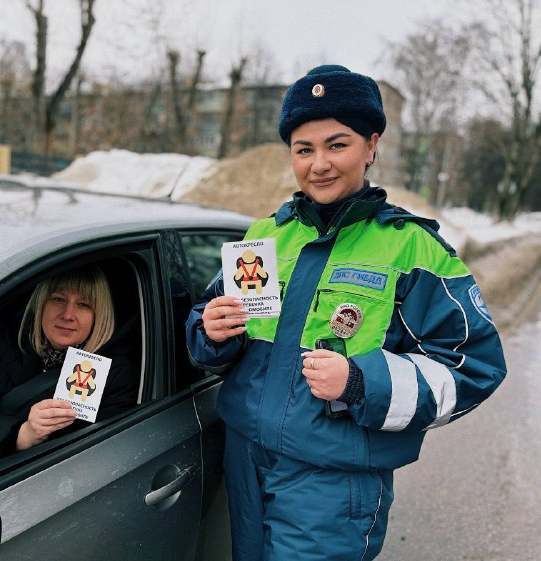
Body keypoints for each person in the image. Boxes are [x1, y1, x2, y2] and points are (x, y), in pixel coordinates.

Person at [185, 65, 507, 560]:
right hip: (245, 461)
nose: (319, 164)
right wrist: (211, 330)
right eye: (303, 149)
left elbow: (474, 367)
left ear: (371, 146)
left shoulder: (414, 249)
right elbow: (208, 327)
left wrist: (361, 383)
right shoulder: (264, 236)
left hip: (333, 486)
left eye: (337, 145)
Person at [0, 266, 139, 470]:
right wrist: (22, 434)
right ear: (41, 303)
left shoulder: (115, 374)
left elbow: (98, 460)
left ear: (99, 315)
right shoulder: (5, 341)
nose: (68, 315)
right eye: (58, 299)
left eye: (84, 305)